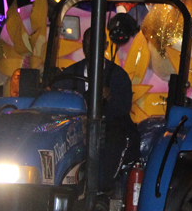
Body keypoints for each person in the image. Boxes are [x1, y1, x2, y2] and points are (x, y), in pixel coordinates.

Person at [58, 27, 139, 189]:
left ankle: (103, 188)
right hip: (75, 129)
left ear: (105, 46)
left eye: (96, 43)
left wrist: (110, 97)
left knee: (113, 141)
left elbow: (123, 109)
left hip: (108, 128)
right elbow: (58, 101)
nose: (91, 47)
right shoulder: (69, 74)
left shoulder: (118, 76)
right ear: (83, 45)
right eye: (88, 43)